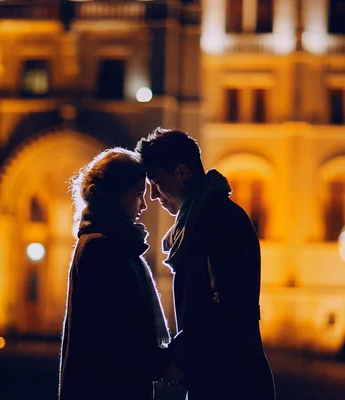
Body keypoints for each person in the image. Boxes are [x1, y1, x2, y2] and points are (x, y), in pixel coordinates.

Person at [136, 128, 276, 399]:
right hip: (220, 376)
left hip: (233, 381)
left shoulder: (218, 221)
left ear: (181, 172)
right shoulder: (203, 220)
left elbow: (224, 311)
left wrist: (177, 357)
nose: (153, 195)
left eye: (156, 181)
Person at [59, 148, 172, 400]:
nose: (144, 205)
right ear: (117, 195)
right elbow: (116, 332)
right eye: (138, 194)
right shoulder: (101, 247)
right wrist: (161, 364)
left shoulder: (114, 244)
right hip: (107, 388)